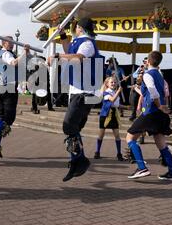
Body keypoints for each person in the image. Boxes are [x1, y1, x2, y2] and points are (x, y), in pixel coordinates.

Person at [48, 17, 102, 182]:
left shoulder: (87, 43)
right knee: (73, 130)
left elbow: (78, 57)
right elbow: (68, 49)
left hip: (84, 92)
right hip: (77, 91)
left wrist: (57, 56)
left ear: (79, 28)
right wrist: (62, 35)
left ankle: (80, 160)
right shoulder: (78, 41)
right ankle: (76, 161)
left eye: (75, 27)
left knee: (69, 126)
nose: (74, 29)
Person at [125, 50, 172, 181]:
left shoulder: (148, 75)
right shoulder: (160, 75)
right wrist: (138, 89)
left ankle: (141, 167)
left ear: (148, 62)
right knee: (161, 142)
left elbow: (153, 92)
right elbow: (156, 92)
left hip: (151, 112)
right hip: (160, 114)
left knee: (130, 138)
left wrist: (159, 105)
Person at [0, 36, 30, 158]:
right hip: (9, 88)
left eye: (13, 42)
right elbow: (14, 62)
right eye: (10, 42)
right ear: (4, 43)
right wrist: (25, 52)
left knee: (2, 113)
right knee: (9, 117)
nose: (12, 44)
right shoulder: (6, 54)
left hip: (1, 87)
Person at [95, 77, 125, 161]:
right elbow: (112, 100)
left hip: (114, 114)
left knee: (117, 135)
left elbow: (116, 104)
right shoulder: (106, 93)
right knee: (101, 134)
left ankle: (119, 153)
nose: (113, 83)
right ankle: (97, 152)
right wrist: (119, 91)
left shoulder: (115, 92)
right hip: (105, 115)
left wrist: (124, 107)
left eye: (115, 82)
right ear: (107, 84)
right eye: (111, 82)